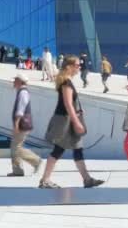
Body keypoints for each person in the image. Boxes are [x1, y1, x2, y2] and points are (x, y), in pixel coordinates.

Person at [39, 56, 104, 189]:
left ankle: (87, 179)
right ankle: (45, 180)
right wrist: (76, 122)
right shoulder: (66, 83)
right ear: (69, 66)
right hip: (64, 121)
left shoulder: (67, 81)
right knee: (59, 149)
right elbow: (68, 104)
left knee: (77, 149)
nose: (79, 67)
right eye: (77, 65)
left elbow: (70, 104)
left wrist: (78, 113)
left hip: (67, 119)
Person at [8, 73, 42, 176]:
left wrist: (16, 125)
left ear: (20, 81)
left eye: (15, 80)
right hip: (21, 124)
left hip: (22, 124)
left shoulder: (23, 93)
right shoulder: (21, 92)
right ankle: (17, 170)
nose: (13, 82)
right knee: (15, 146)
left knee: (16, 147)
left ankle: (36, 160)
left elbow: (20, 110)